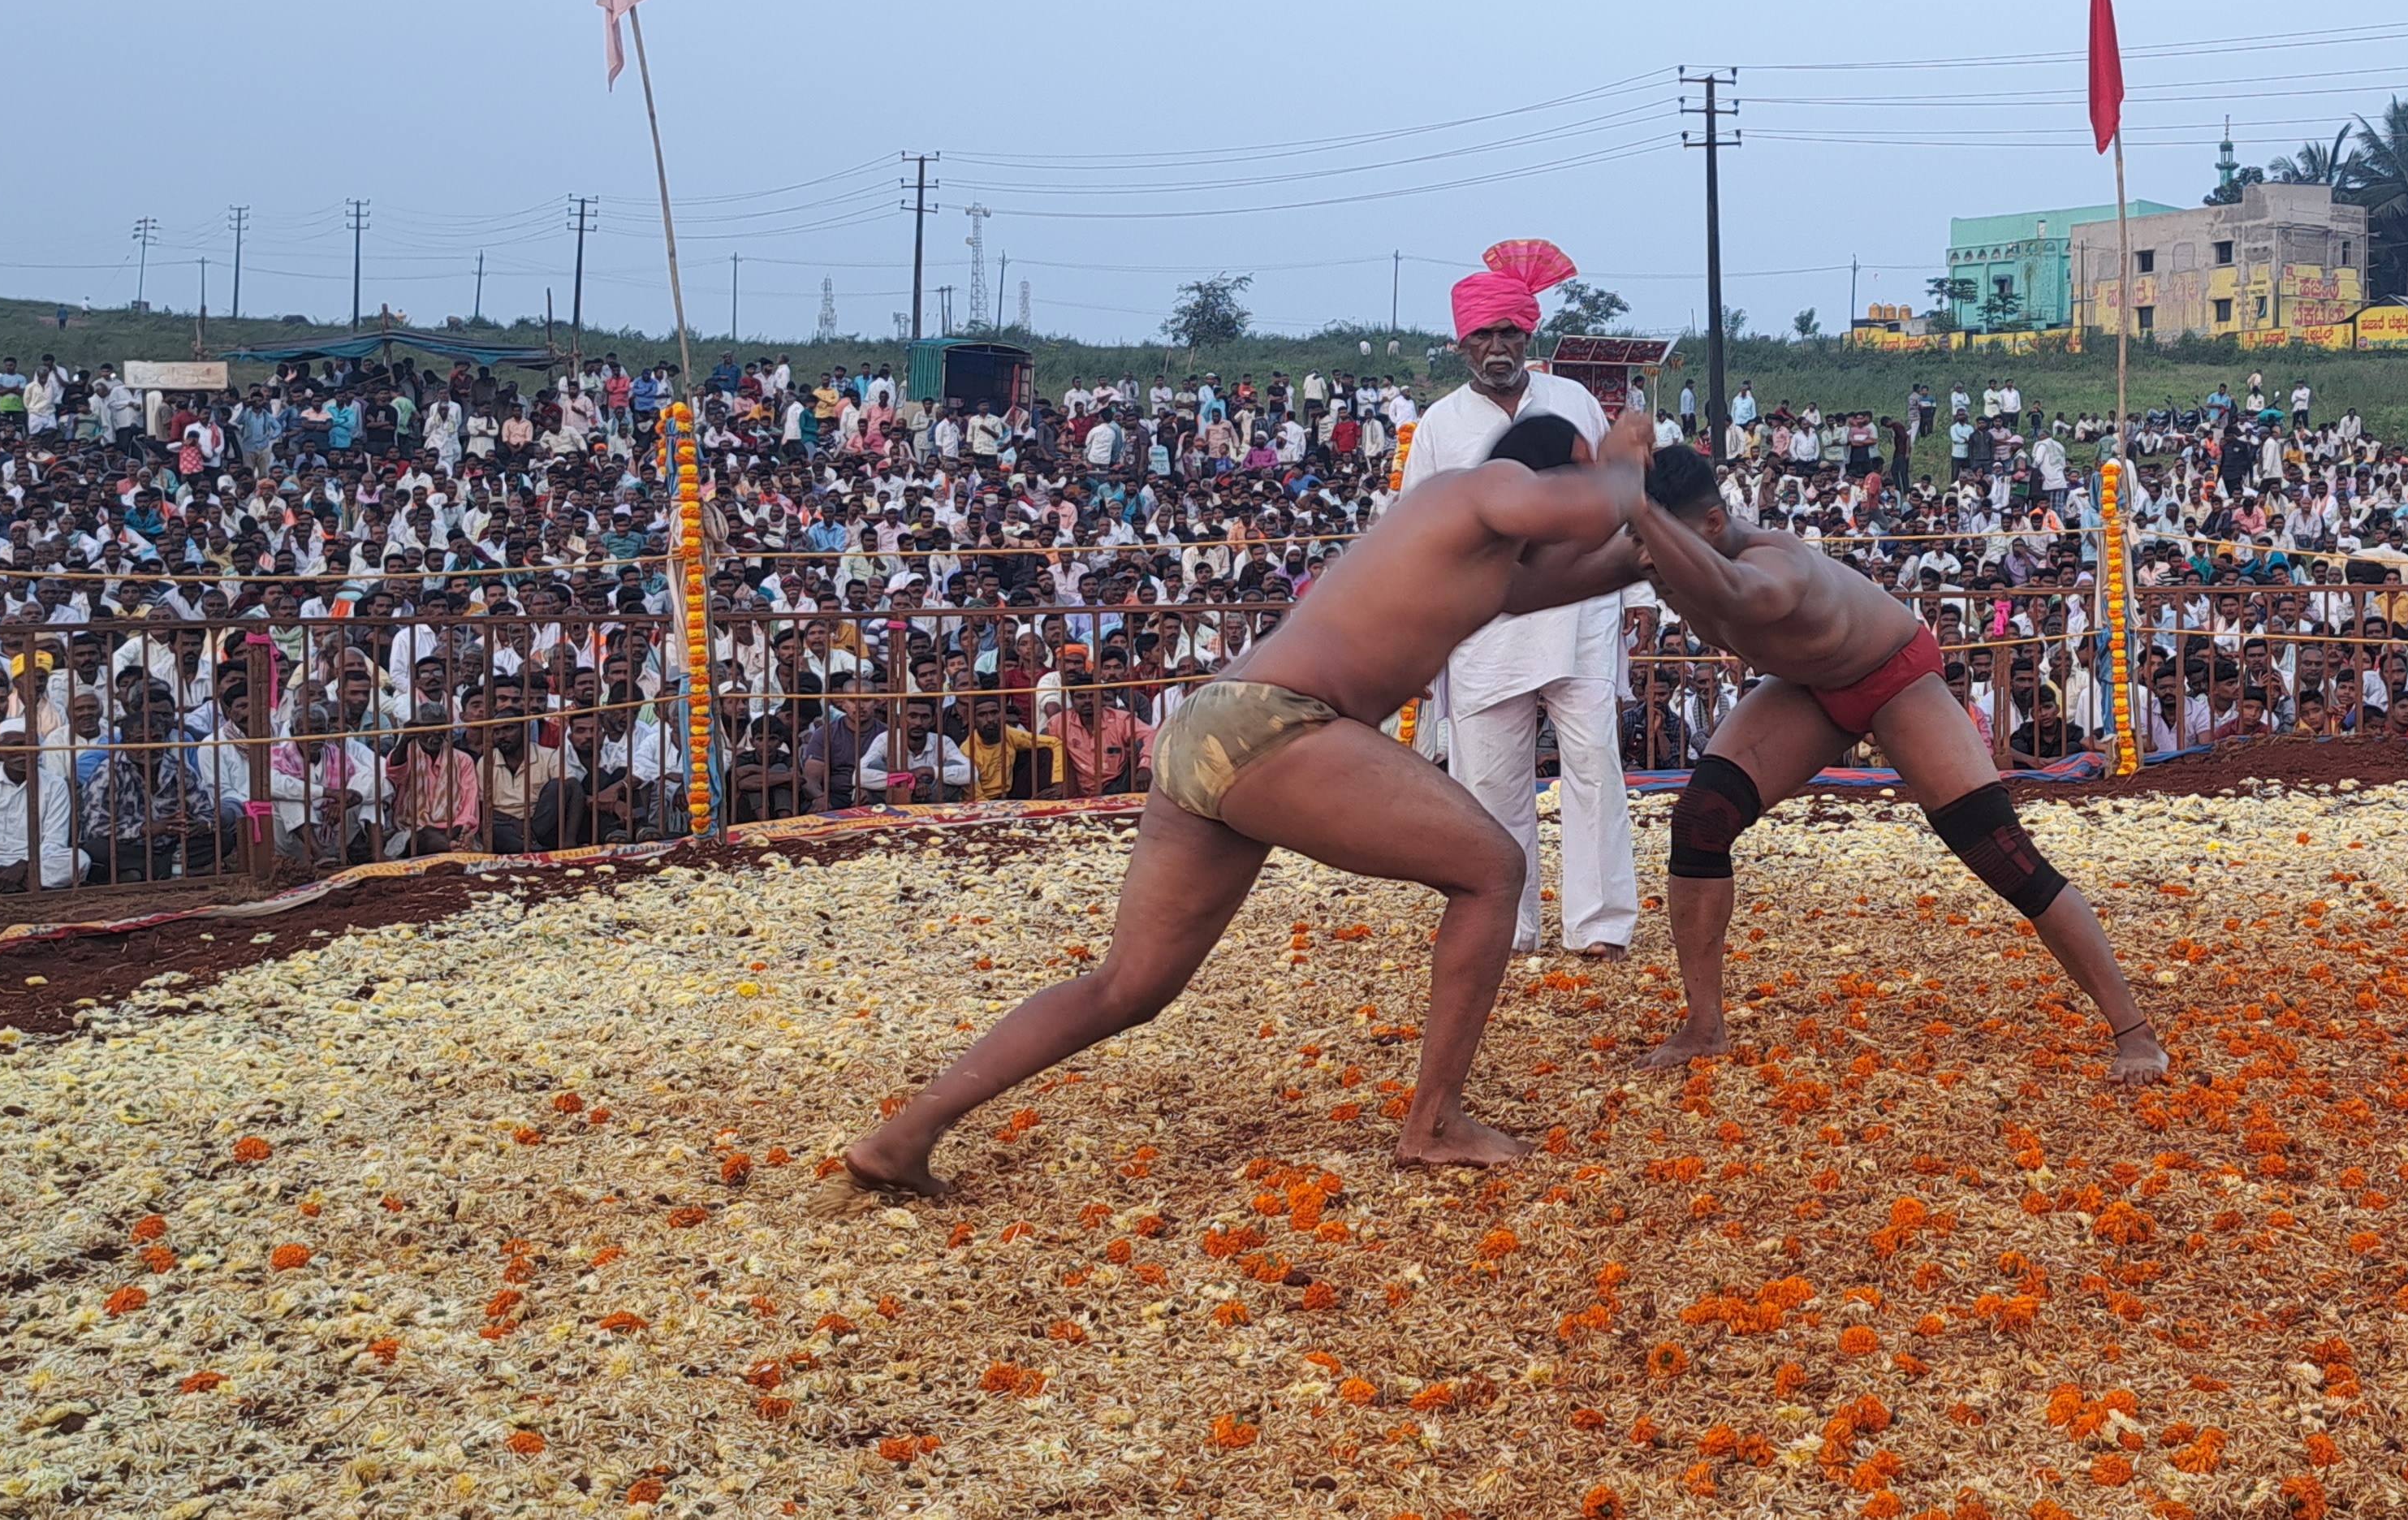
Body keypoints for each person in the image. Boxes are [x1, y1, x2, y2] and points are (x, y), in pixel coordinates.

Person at [844, 401, 1652, 1194]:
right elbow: (1587, 508)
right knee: (1491, 867)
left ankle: (902, 1134)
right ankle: (1434, 1123)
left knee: (1127, 985)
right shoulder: (1474, 488)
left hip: (1210, 730)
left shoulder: (1484, 568)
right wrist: (1621, 458)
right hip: (1275, 722)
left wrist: (1666, 535)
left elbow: (1605, 559)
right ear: (1558, 471)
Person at [1606, 445, 2166, 1083]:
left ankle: (2135, 1031)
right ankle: (1704, 1025)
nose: (1652, 560)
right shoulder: (1657, 550)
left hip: (1894, 676)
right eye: (1642, 541)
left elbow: (1740, 594)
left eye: (1660, 541)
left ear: (1708, 527)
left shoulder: (1774, 564)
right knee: (1702, 821)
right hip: (1808, 687)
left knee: (2003, 856)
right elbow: (1567, 572)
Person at [1403, 240, 1638, 961]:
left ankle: (1598, 927)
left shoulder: (1573, 403)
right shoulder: (1439, 425)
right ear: (1461, 344)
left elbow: (1615, 502)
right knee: (1490, 778)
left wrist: (1630, 596)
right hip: (1486, 621)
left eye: (1510, 332)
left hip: (1581, 616)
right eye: (1484, 335)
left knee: (1595, 764)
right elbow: (1417, 533)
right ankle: (1508, 926)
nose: (1498, 346)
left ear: (1528, 335)